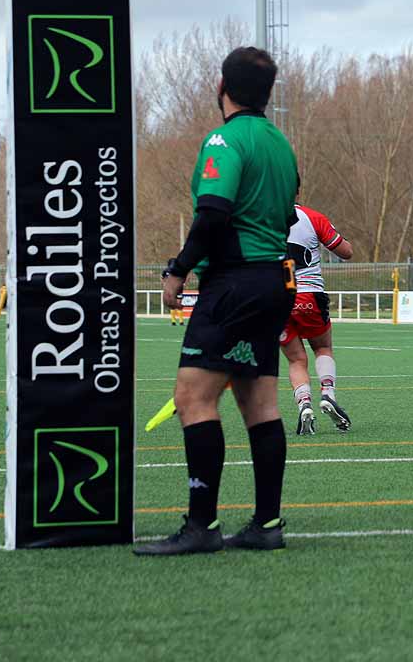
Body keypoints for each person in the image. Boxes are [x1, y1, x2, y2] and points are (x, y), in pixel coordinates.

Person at [135, 47, 300, 555]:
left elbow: (212, 214)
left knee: (193, 397)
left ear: (221, 86)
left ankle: (201, 526)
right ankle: (266, 523)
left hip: (234, 284)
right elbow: (286, 216)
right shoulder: (280, 144)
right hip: (274, 282)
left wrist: (179, 269)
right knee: (260, 403)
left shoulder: (224, 140)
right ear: (268, 93)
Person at [280, 204, 354, 435]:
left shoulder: (255, 217)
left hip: (275, 299)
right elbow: (346, 252)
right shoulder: (312, 217)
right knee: (323, 348)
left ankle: (304, 405)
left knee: (296, 360)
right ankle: (327, 394)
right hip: (309, 294)